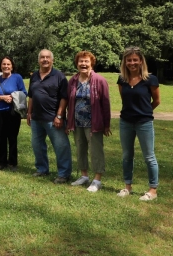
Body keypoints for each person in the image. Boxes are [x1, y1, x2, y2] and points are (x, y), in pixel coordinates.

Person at [117, 46, 161, 201]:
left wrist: (144, 111)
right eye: (129, 60)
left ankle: (152, 190)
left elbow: (156, 101)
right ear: (125, 62)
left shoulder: (150, 79)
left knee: (149, 156)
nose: (132, 63)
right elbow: (125, 99)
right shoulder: (122, 79)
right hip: (125, 122)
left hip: (144, 123)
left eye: (135, 59)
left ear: (141, 61)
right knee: (127, 155)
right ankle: (127, 187)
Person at [66, 51, 111, 192]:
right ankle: (84, 176)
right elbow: (69, 102)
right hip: (77, 122)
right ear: (77, 63)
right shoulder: (73, 80)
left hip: (94, 123)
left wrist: (106, 124)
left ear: (91, 63)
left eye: (86, 61)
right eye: (81, 61)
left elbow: (106, 103)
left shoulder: (99, 80)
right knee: (80, 149)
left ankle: (97, 179)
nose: (83, 64)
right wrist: (69, 122)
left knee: (95, 151)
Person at [27, 49, 72, 184]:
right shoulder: (34, 76)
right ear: (39, 60)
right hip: (36, 118)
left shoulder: (59, 76)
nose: (45, 59)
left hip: (53, 118)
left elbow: (64, 98)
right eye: (42, 57)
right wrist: (29, 113)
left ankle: (64, 174)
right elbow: (31, 96)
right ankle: (42, 169)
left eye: (47, 57)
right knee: (37, 145)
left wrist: (59, 115)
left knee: (61, 146)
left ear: (52, 60)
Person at [0, 56, 27, 171]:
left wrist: (12, 96)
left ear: (12, 66)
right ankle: (2, 162)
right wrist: (2, 97)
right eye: (4, 64)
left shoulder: (17, 77)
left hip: (13, 111)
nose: (6, 66)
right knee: (1, 137)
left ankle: (13, 163)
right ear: (1, 66)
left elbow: (24, 92)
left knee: (12, 137)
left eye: (8, 64)